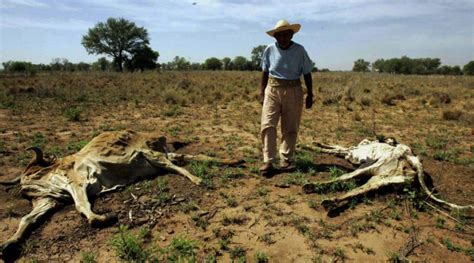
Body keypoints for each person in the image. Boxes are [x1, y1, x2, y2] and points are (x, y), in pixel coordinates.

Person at [259, 19, 314, 175]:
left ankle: (287, 159)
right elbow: (265, 71)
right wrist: (262, 92)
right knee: (268, 124)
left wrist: (310, 93)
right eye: (279, 35)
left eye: (286, 35)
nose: (282, 38)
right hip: (273, 89)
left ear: (291, 35)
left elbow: (307, 73)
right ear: (275, 36)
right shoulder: (269, 50)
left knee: (290, 126)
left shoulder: (300, 50)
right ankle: (268, 160)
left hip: (294, 90)